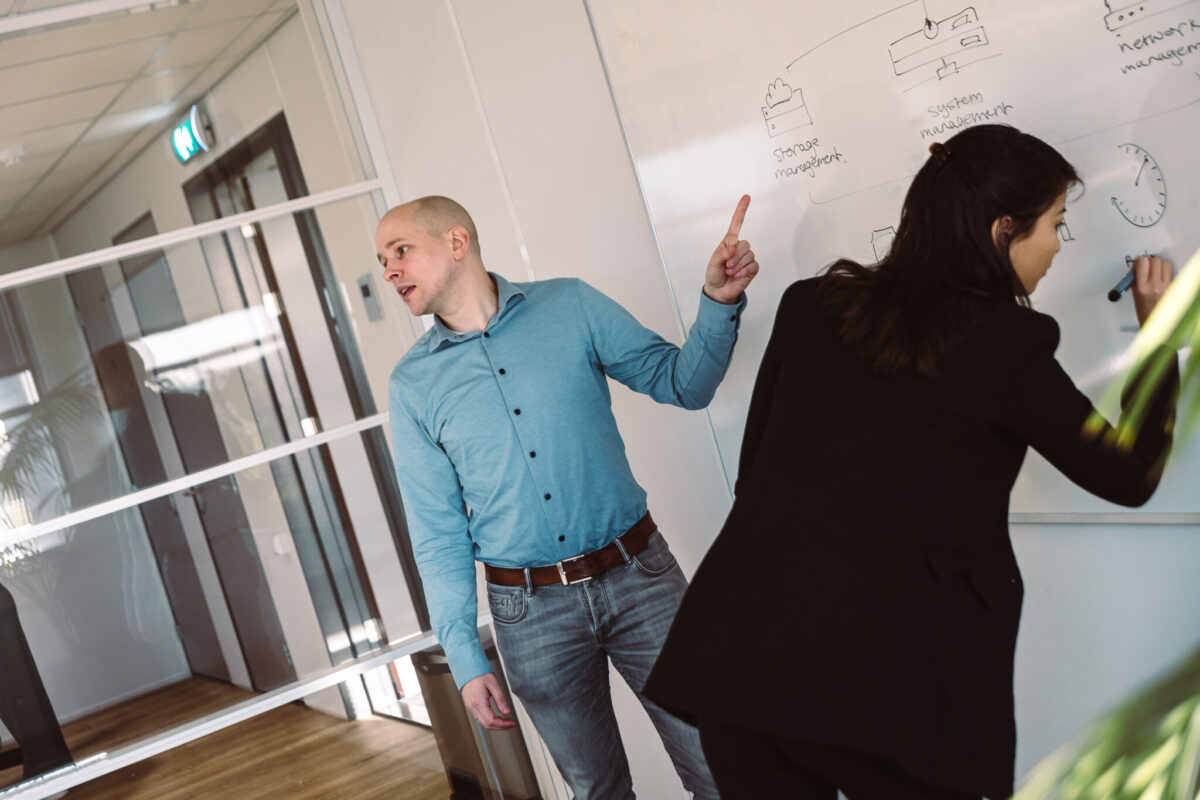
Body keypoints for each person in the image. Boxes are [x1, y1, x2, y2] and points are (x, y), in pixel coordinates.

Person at [643, 124, 1179, 800]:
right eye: (1055, 225)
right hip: (885, 695)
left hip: (745, 665)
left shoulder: (811, 305)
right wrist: (1161, 334)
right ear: (1002, 231)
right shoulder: (1006, 341)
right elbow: (1127, 474)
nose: (1057, 246)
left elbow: (756, 477)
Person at [380, 194, 758, 799]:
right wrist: (466, 658)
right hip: (529, 615)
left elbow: (683, 384)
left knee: (720, 769)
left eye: (400, 251)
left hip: (641, 581)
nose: (390, 271)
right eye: (383, 261)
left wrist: (718, 300)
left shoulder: (571, 305)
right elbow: (437, 533)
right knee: (597, 792)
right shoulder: (412, 386)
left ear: (456, 242)